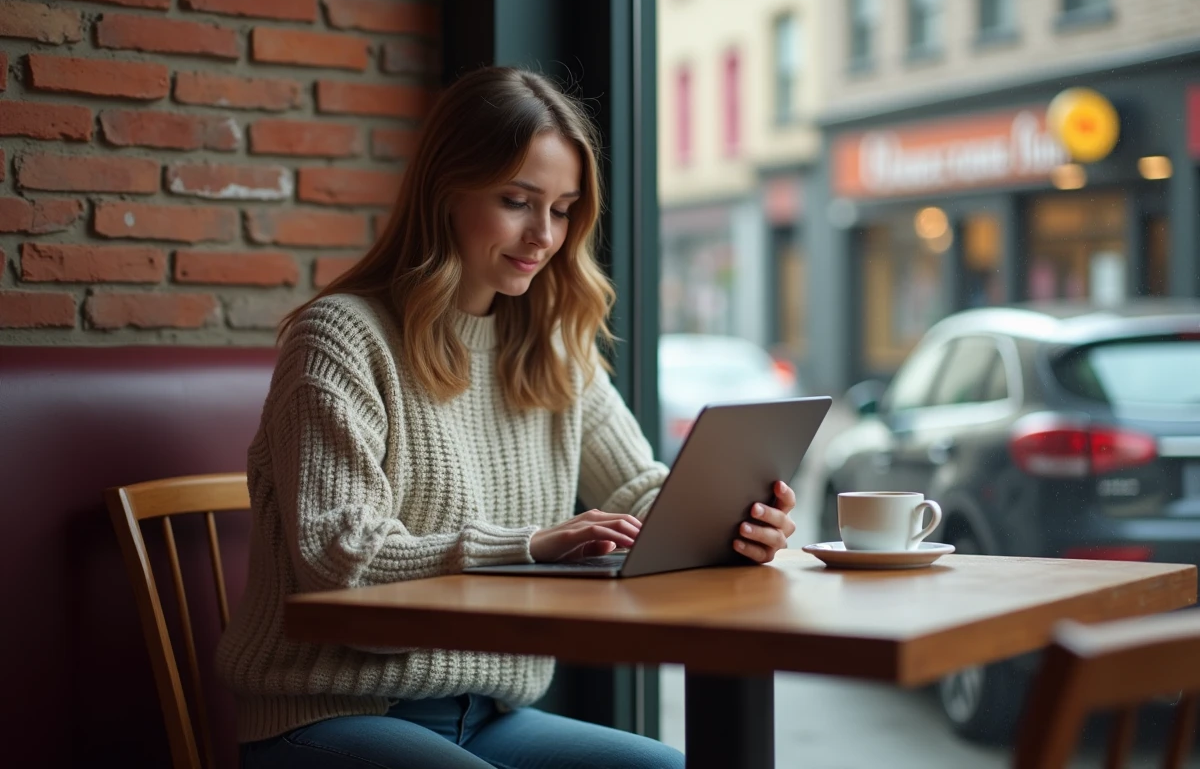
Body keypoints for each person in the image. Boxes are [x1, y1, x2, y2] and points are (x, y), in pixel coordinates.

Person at [215, 66, 799, 769]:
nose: (543, 236)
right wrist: (530, 545)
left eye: (562, 209)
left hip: (490, 714)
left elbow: (638, 491)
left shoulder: (550, 346)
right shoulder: (340, 338)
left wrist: (734, 523)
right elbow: (341, 563)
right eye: (517, 201)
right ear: (446, 192)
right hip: (326, 714)